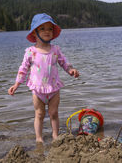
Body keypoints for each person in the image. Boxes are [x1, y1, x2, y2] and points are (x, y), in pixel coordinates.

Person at [8, 13, 79, 143]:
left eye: (50, 28)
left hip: (54, 88)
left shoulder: (55, 50)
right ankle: (39, 138)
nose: (47, 31)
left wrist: (71, 70)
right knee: (39, 114)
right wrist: (16, 84)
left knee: (54, 113)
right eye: (42, 28)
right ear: (34, 33)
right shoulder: (31, 51)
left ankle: (55, 136)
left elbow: (64, 62)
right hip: (37, 89)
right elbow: (23, 69)